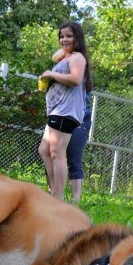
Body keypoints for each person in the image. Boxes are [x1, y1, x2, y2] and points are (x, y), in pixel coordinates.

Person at [37, 21, 92, 201]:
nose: (64, 39)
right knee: (44, 150)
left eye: (69, 36)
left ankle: (57, 198)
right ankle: (54, 192)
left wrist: (51, 74)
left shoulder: (77, 57)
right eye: (61, 36)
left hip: (65, 112)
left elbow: (75, 79)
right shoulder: (66, 58)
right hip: (57, 110)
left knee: (56, 152)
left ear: (77, 38)